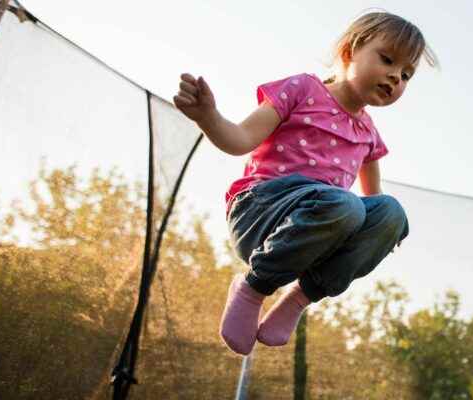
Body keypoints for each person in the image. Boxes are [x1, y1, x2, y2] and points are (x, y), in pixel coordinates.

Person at [173, 11, 437, 355]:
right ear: (349, 51)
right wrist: (209, 116)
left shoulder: (369, 135)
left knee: (391, 213)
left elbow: (376, 205)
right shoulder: (302, 89)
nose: (394, 76)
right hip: (260, 213)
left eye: (405, 74)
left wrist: (388, 234)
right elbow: (239, 139)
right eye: (387, 59)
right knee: (345, 204)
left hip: (313, 233)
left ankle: (300, 297)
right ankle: (254, 288)